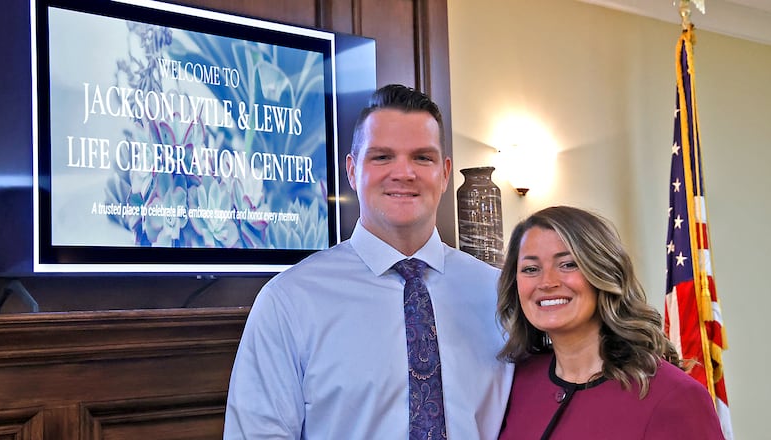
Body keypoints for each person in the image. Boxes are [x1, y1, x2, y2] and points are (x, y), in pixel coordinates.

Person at [223, 84, 514, 440]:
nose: (404, 173)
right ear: (351, 170)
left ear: (444, 172)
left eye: (422, 157)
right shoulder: (289, 301)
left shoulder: (497, 294)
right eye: (382, 157)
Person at [496, 206, 725, 440]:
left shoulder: (674, 396)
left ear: (603, 272)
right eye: (531, 269)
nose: (547, 282)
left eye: (568, 264)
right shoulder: (512, 384)